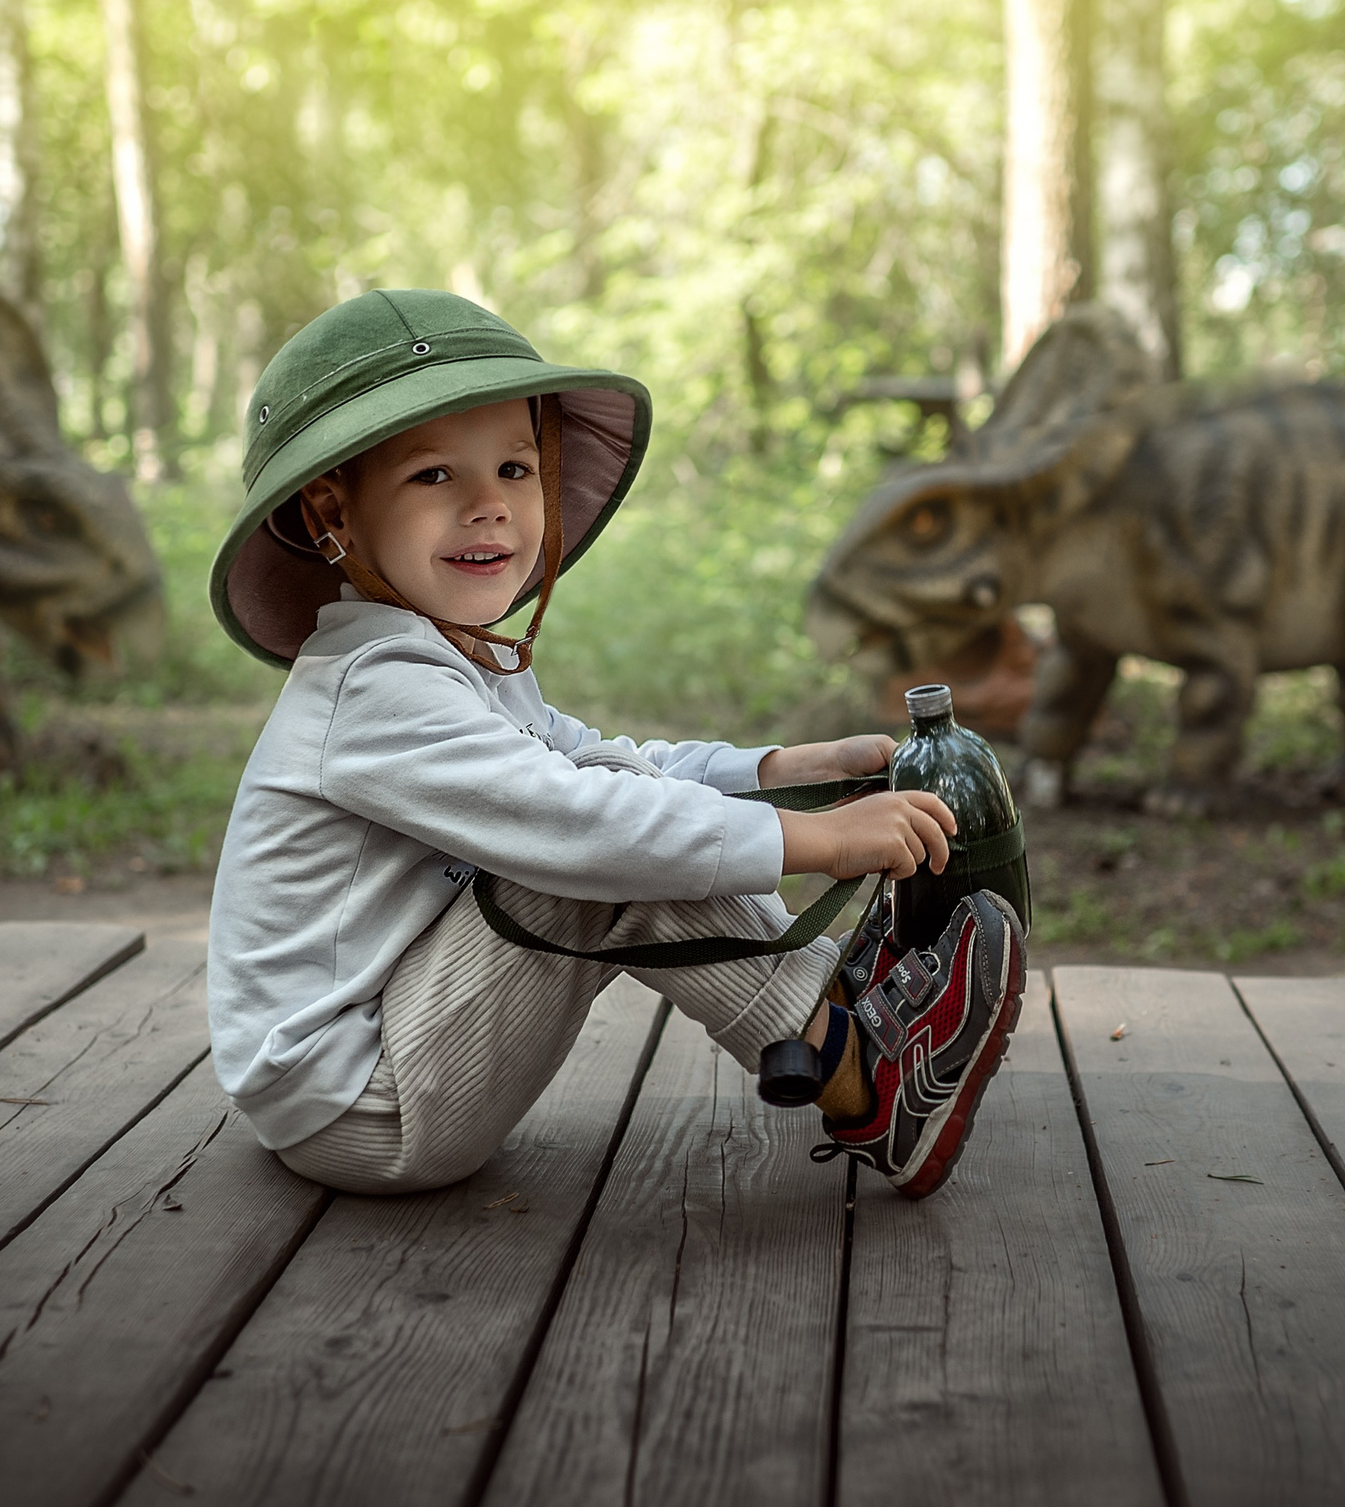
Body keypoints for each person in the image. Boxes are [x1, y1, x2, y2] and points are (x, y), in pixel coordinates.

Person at [206, 289, 1027, 1200]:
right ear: (333, 512)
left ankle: (842, 1010)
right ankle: (871, 1079)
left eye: (516, 469)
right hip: (360, 1102)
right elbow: (577, 819)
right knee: (587, 855)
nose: (490, 507)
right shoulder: (373, 685)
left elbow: (589, 761)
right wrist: (818, 842)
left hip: (388, 1052)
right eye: (434, 476)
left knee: (604, 810)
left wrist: (777, 776)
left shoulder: (441, 658)